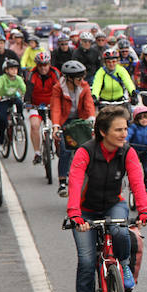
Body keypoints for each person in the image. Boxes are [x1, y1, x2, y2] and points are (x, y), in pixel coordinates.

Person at [66, 106, 147, 292]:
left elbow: (136, 181)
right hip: (86, 211)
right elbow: (74, 183)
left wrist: (144, 210)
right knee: (86, 261)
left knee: (121, 232)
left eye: (126, 129)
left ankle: (122, 265)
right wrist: (75, 215)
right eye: (118, 130)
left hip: (114, 204)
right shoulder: (86, 152)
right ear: (103, 132)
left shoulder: (128, 152)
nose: (124, 134)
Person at [51, 60, 96, 198]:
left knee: (86, 148)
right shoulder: (58, 88)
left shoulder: (84, 86)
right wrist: (56, 126)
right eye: (78, 77)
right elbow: (56, 108)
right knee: (65, 150)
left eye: (82, 77)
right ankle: (63, 182)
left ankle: (89, 181)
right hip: (65, 121)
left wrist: (92, 120)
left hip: (80, 120)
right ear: (69, 78)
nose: (81, 80)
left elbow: (89, 105)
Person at [26, 51, 61, 165]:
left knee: (58, 126)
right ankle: (37, 153)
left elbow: (60, 88)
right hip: (36, 104)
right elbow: (29, 90)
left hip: (52, 104)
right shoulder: (32, 74)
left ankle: (58, 146)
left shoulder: (55, 73)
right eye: (40, 65)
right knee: (35, 125)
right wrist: (27, 102)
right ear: (37, 65)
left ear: (49, 64)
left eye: (45, 65)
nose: (43, 68)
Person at [0, 58, 26, 147]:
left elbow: (23, 88)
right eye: (11, 69)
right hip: (2, 100)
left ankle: (19, 118)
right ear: (6, 70)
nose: (14, 71)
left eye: (16, 69)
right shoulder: (2, 79)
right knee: (3, 120)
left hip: (13, 98)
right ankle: (1, 141)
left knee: (19, 103)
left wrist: (21, 93)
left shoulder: (18, 79)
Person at [126, 104, 147, 199]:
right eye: (141, 118)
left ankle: (145, 188)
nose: (144, 120)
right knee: (134, 170)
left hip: (143, 152)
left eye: (146, 118)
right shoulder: (134, 127)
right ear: (136, 119)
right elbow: (129, 134)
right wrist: (126, 141)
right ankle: (132, 185)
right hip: (133, 152)